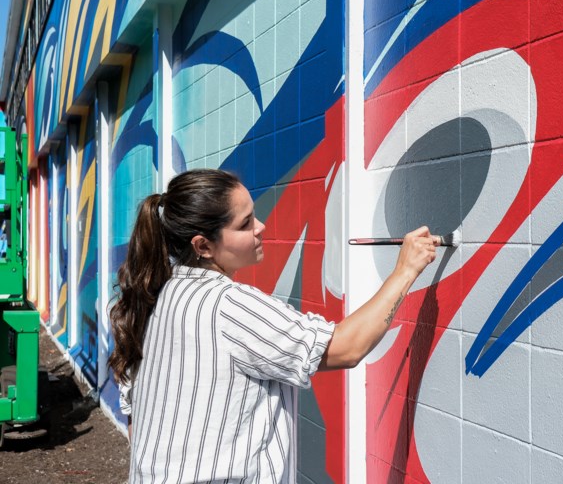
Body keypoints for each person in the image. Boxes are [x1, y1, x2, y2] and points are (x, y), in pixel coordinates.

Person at [108, 168, 437, 483]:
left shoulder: (163, 293)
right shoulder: (228, 306)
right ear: (203, 246)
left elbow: (138, 419)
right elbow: (347, 348)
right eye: (245, 223)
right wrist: (405, 271)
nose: (261, 227)